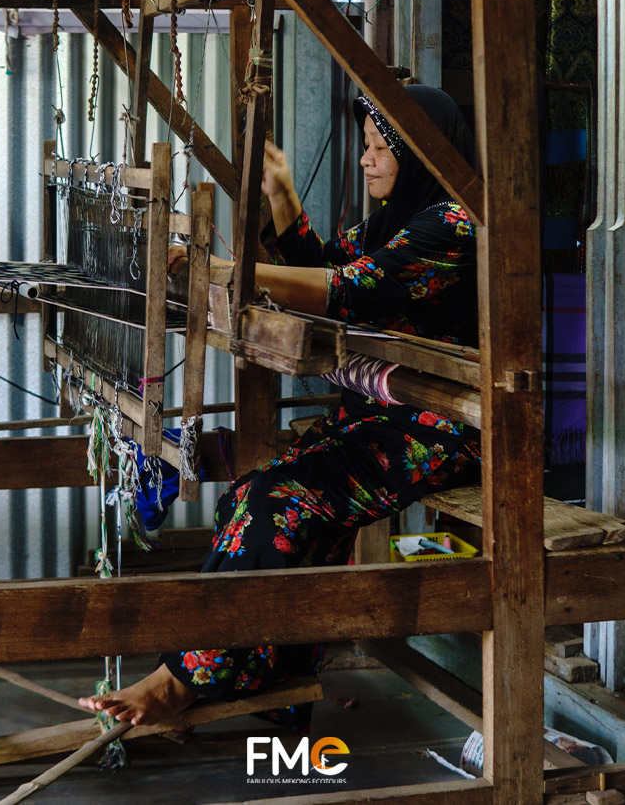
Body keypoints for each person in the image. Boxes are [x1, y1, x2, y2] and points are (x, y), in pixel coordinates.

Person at [79, 85, 481, 729]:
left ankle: (181, 680)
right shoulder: (393, 223)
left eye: (382, 150)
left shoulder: (453, 226)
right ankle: (277, 669)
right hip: (386, 420)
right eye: (368, 148)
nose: (367, 161)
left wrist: (229, 272)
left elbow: (348, 290)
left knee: (279, 502)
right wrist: (280, 192)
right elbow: (324, 264)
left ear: (423, 157)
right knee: (249, 494)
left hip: (443, 428)